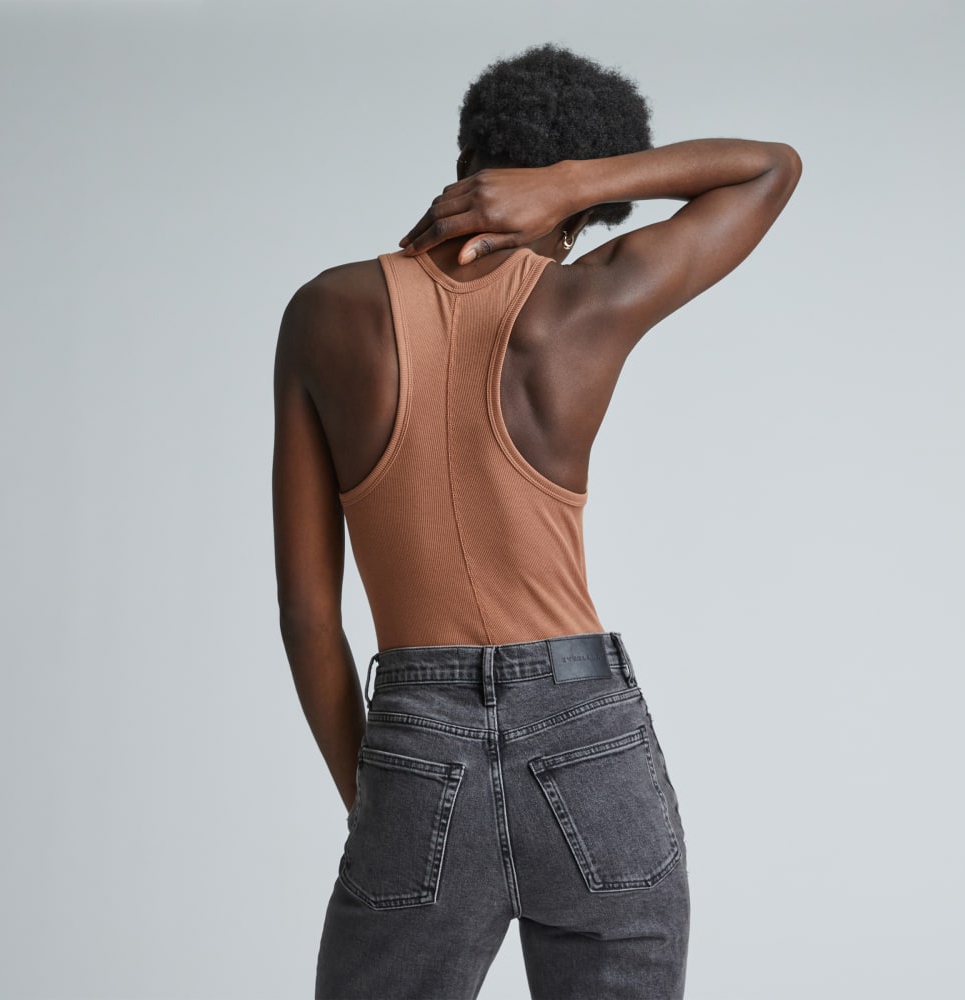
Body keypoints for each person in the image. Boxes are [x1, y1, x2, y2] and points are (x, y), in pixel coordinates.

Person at [272, 42, 801, 1000]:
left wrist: (388, 801)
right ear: (577, 213)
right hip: (587, 732)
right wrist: (574, 184)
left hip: (416, 737)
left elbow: (310, 618)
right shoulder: (584, 300)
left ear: (467, 155)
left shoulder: (323, 313)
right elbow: (771, 167)